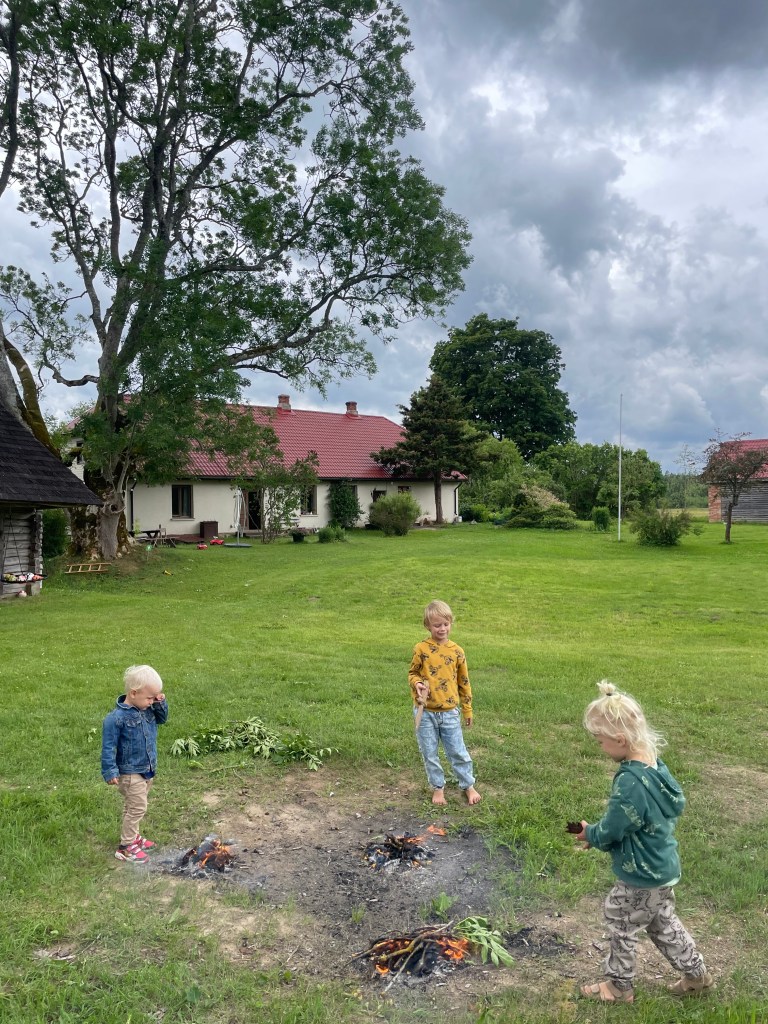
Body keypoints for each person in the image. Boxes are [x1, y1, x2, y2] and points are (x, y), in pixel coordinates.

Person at [575, 680, 713, 1003]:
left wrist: (590, 833)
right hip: (663, 866)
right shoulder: (654, 764)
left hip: (641, 872)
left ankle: (619, 987)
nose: (600, 748)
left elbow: (614, 827)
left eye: (600, 742)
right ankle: (697, 976)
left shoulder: (630, 781)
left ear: (619, 740)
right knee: (662, 923)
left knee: (621, 920)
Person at [408, 599, 480, 806]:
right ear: (427, 626)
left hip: (449, 713)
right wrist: (417, 683)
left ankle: (468, 785)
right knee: (429, 753)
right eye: (437, 625)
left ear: (451, 623)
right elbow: (412, 673)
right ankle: (438, 788)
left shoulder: (457, 651)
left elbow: (464, 682)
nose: (442, 629)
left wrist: (467, 709)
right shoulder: (421, 649)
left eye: (446, 624)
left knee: (458, 751)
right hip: (425, 713)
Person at [101, 665, 169, 862]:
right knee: (138, 808)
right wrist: (110, 771)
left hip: (147, 768)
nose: (151, 702)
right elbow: (108, 746)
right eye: (149, 698)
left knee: (132, 807)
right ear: (133, 693)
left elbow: (162, 719)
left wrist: (160, 703)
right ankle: (126, 847)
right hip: (130, 772)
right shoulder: (116, 719)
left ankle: (133, 836)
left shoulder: (147, 710)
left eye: (154, 698)